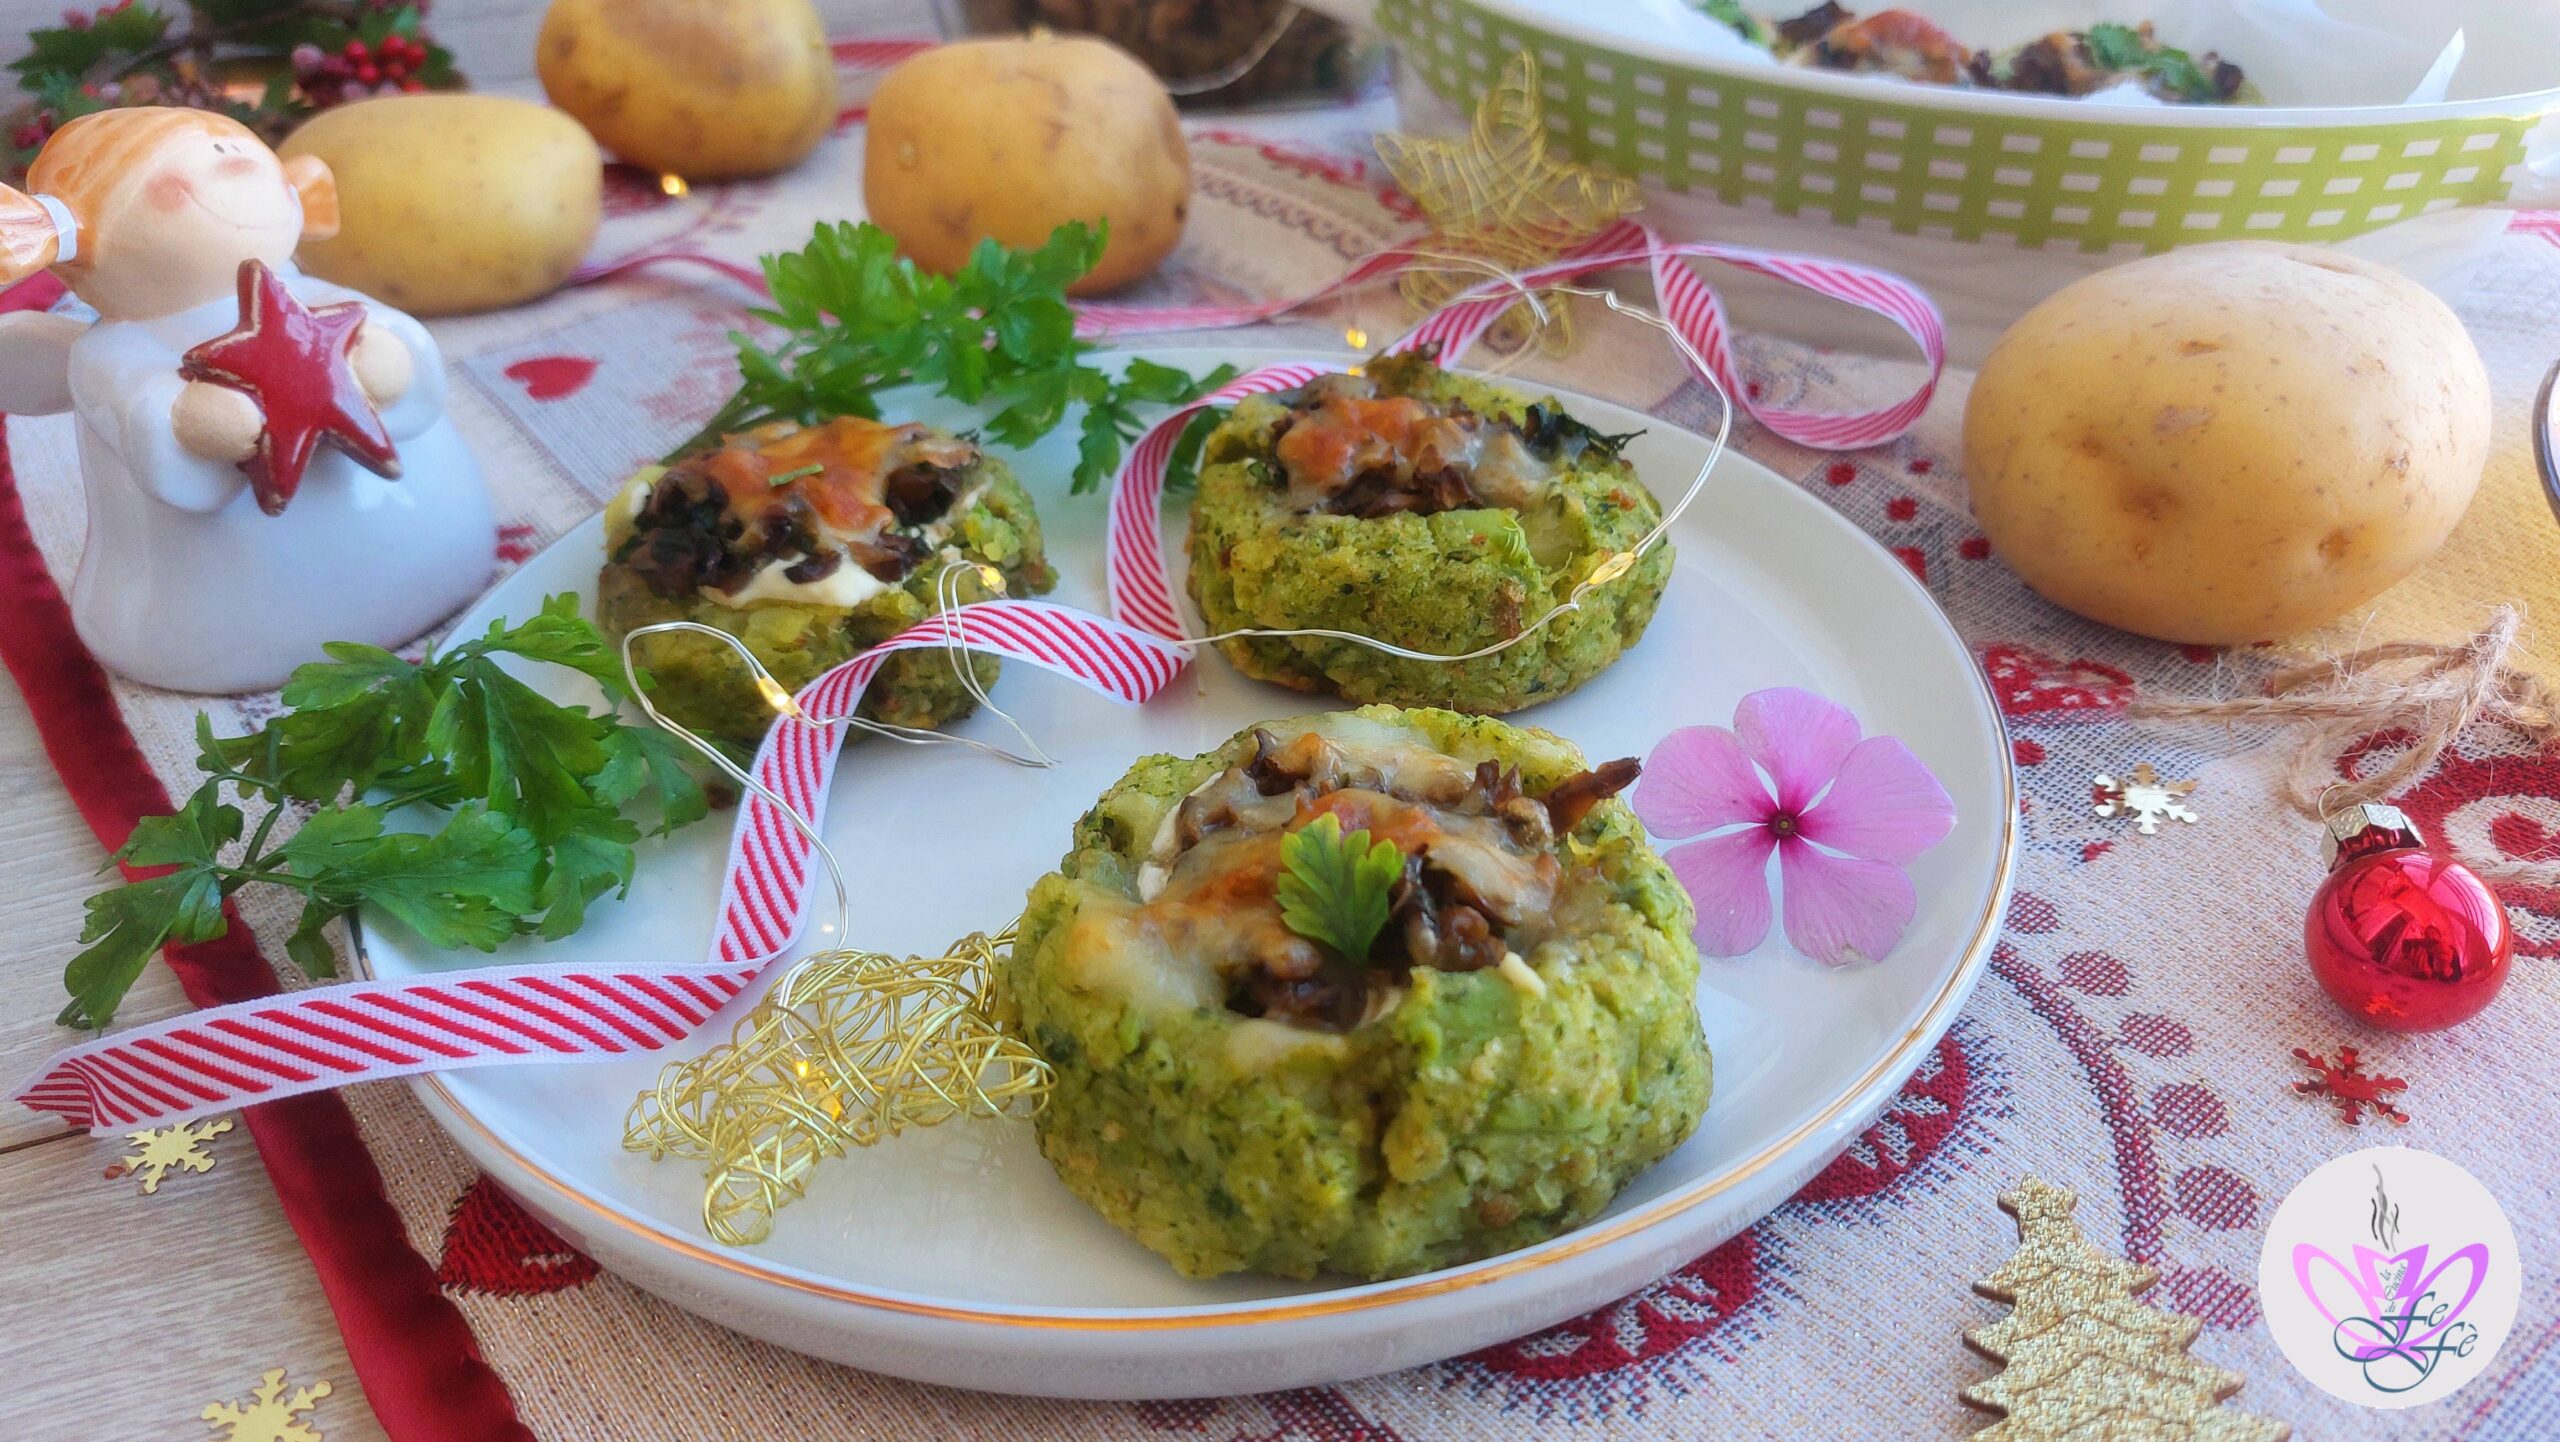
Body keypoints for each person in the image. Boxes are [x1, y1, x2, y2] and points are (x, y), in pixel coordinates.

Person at [0, 106, 493, 692]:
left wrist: (384, 361)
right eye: (183, 170)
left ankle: (432, 565)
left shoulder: (314, 295)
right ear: (83, 239)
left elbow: (400, 359)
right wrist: (197, 423)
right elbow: (156, 425)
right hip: (224, 610)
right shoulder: (114, 352)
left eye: (239, 151)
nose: (229, 163)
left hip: (424, 537)